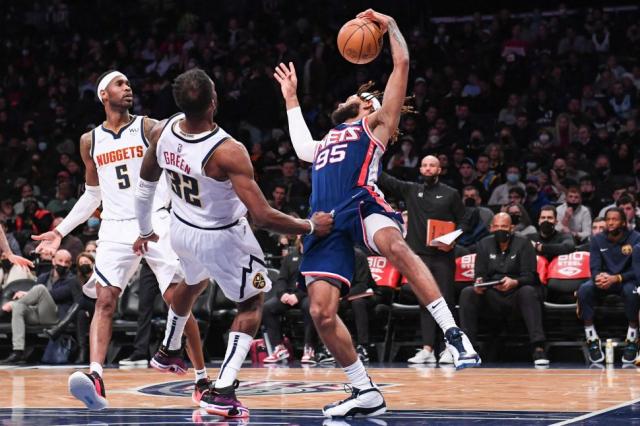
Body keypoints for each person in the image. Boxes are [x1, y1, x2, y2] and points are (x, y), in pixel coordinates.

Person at [275, 9, 479, 418]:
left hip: (362, 205)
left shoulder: (375, 124)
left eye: (353, 98)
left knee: (395, 246)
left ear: (367, 106)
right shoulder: (324, 142)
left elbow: (401, 64)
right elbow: (300, 147)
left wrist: (392, 27)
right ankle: (364, 390)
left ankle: (453, 334)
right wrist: (291, 99)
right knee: (321, 312)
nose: (345, 98)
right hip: (325, 222)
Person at [132, 68, 333, 418]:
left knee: (191, 282)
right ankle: (222, 391)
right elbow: (263, 216)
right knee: (252, 302)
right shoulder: (228, 151)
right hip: (221, 236)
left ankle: (168, 349)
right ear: (214, 102)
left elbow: (145, 185)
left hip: (181, 228)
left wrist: (146, 228)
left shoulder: (163, 130)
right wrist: (310, 225)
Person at [31, 70, 210, 410]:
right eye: (120, 84)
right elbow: (92, 194)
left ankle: (202, 379)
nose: (128, 88)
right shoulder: (90, 141)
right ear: (103, 94)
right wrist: (60, 231)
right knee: (105, 300)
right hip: (114, 226)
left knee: (177, 300)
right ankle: (96, 377)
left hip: (155, 219)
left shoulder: (147, 127)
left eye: (129, 84)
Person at [377, 155, 465, 365]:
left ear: (439, 170)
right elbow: (386, 180)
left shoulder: (451, 194)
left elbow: (465, 221)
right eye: (424, 165)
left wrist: (453, 240)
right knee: (425, 302)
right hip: (418, 256)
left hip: (443, 256)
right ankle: (428, 349)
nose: (427, 168)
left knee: (446, 301)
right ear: (420, 169)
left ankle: (449, 348)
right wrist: (371, 158)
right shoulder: (411, 190)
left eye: (432, 165)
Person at [458, 213, 549, 366]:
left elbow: (531, 277)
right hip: (492, 293)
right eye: (497, 226)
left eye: (504, 226)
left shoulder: (524, 243)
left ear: (511, 228)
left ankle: (538, 347)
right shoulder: (483, 244)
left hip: (516, 293)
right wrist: (479, 283)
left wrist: (515, 282)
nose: (500, 230)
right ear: (491, 228)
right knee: (468, 293)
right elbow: (480, 274)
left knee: (528, 291)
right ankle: (468, 349)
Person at [577, 207, 640, 364]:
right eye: (608, 219)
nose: (610, 223)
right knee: (584, 290)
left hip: (625, 279)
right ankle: (591, 338)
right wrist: (599, 278)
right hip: (605, 280)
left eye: (615, 219)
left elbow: (636, 270)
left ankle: (632, 338)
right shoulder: (597, 239)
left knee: (632, 293)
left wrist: (617, 278)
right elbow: (594, 267)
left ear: (623, 222)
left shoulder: (636, 238)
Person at [0, 249, 76, 364]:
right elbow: (34, 298)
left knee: (40, 289)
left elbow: (57, 295)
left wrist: (26, 294)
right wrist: (28, 296)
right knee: (18, 308)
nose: (63, 264)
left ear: (70, 264)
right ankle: (18, 351)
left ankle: (10, 306)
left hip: (56, 316)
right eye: (60, 260)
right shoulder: (43, 277)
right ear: (53, 261)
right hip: (38, 312)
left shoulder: (72, 280)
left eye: (66, 262)